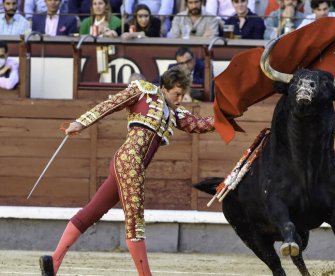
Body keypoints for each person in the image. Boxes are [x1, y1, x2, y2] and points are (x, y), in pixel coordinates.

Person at [38, 66, 215, 276]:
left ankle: (54, 262)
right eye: (177, 94)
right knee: (135, 224)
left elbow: (198, 124)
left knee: (92, 211)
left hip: (126, 163)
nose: (179, 99)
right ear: (164, 88)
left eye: (182, 95)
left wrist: (225, 116)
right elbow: (111, 104)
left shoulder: (174, 111)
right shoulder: (143, 90)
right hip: (131, 163)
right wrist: (80, 122)